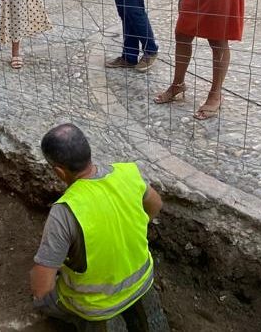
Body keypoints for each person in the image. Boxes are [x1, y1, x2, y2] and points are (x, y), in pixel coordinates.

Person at [31, 123, 169, 331]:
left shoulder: (65, 211)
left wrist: (39, 283)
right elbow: (155, 205)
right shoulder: (128, 173)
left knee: (42, 299)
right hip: (142, 281)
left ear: (59, 171)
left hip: (95, 305)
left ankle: (89, 321)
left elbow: (42, 287)